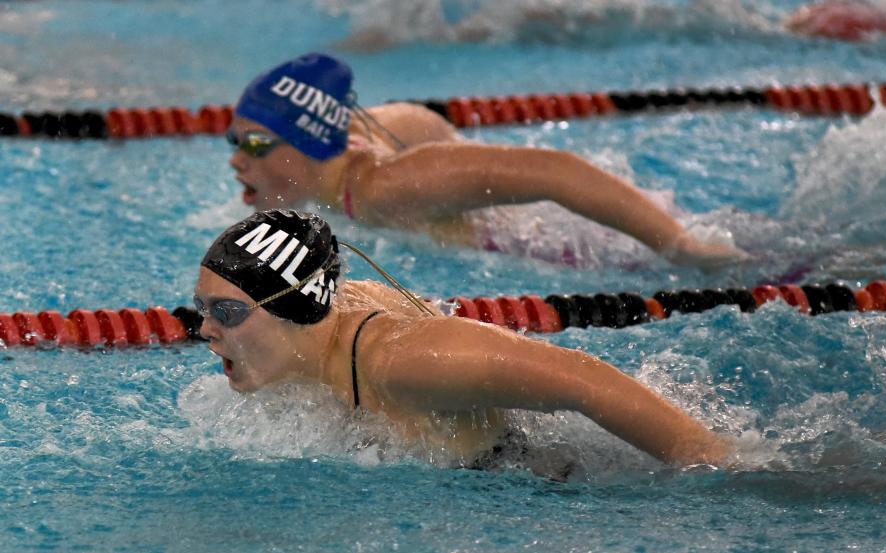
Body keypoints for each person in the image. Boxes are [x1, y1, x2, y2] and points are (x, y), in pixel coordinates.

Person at [194, 209, 731, 470]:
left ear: (296, 310)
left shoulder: (404, 363)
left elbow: (580, 378)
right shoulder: (315, 331)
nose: (205, 330)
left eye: (227, 312)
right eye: (202, 309)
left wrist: (711, 464)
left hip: (544, 486)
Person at [227, 52, 748, 268]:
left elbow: (555, 172)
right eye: (233, 141)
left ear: (310, 142)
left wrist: (678, 245)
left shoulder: (387, 190)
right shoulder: (346, 143)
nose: (235, 162)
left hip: (603, 242)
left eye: (252, 145)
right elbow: (416, 123)